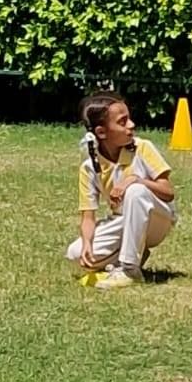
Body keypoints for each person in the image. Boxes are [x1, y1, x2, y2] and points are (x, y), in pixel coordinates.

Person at [66, 92, 176, 288]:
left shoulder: (143, 148)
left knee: (135, 191)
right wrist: (87, 244)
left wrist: (135, 180)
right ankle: (135, 253)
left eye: (129, 118)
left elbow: (168, 192)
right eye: (122, 122)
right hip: (123, 220)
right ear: (101, 133)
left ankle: (129, 270)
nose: (131, 125)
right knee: (76, 254)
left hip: (158, 219)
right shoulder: (89, 167)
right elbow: (88, 217)